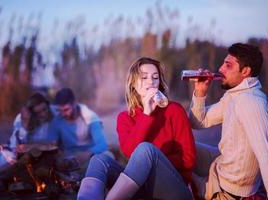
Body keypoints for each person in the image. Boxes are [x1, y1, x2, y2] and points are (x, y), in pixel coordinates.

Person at [77, 57, 196, 200]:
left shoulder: (174, 110)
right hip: (141, 186)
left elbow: (188, 159)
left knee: (146, 150)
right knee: (98, 160)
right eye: (144, 77)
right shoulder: (125, 117)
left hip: (173, 188)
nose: (150, 81)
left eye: (155, 77)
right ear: (133, 83)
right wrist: (146, 114)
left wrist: (153, 162)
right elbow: (128, 151)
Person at [189, 43, 268, 199]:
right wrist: (200, 92)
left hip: (227, 190)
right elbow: (198, 122)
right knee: (181, 145)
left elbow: (267, 156)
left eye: (228, 65)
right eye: (223, 63)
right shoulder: (235, 94)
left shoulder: (250, 101)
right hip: (221, 166)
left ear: (245, 71)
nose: (221, 68)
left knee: (176, 169)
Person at [52, 88, 108, 172]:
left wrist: (88, 153)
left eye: (66, 110)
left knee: (107, 157)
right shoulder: (57, 120)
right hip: (68, 158)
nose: (63, 114)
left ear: (74, 103)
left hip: (89, 156)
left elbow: (102, 144)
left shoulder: (90, 117)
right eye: (60, 110)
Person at [0, 92, 56, 166]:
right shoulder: (21, 119)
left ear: (48, 106)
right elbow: (15, 145)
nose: (43, 114)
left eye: (44, 109)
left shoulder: (54, 112)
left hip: (44, 153)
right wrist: (25, 124)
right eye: (38, 112)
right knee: (4, 162)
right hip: (23, 155)